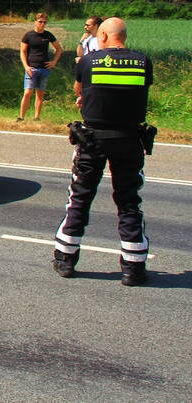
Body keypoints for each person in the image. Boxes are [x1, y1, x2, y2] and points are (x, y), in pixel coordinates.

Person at [53, 17, 154, 286]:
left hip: (92, 139)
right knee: (129, 201)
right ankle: (133, 268)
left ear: (104, 37)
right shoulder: (143, 61)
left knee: (80, 197)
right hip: (129, 139)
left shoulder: (89, 61)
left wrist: (86, 97)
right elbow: (137, 93)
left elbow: (80, 91)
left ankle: (65, 260)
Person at [17, 13, 62, 121]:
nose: (42, 24)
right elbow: (22, 52)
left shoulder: (48, 35)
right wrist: (26, 66)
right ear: (35, 22)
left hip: (44, 69)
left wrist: (54, 62)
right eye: (40, 22)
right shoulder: (28, 35)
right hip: (31, 69)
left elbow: (59, 49)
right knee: (27, 92)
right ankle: (21, 117)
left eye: (44, 22)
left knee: (40, 94)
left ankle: (37, 117)